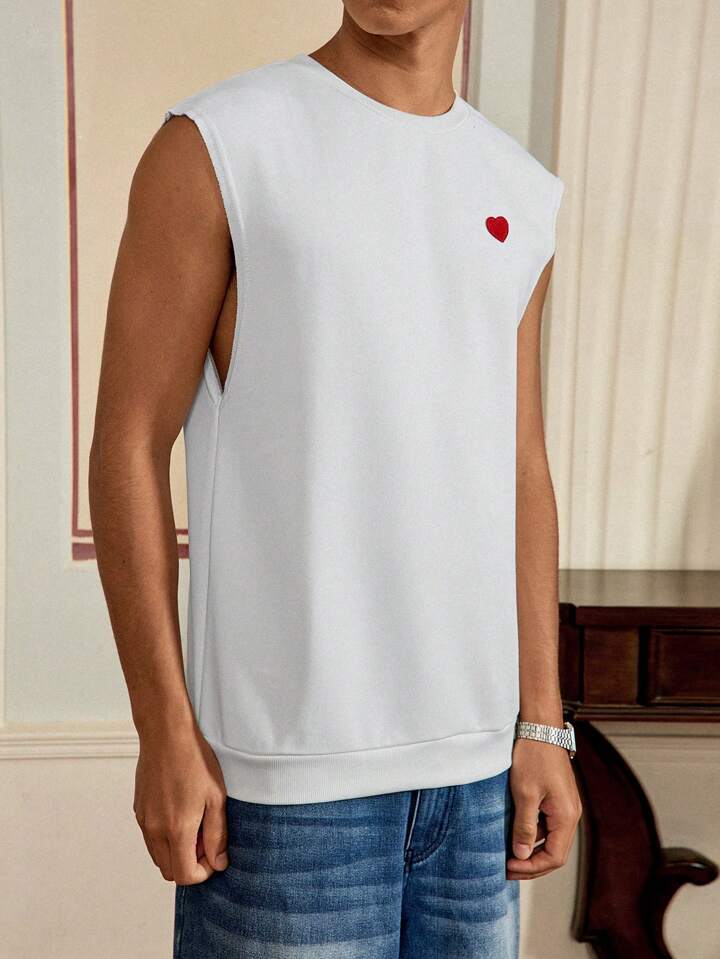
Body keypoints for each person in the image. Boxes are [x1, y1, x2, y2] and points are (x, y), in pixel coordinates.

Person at [89, 1, 582, 956]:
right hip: (285, 790)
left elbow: (521, 464)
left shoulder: (519, 190)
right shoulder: (220, 145)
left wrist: (543, 724)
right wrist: (162, 728)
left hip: (479, 785)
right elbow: (128, 443)